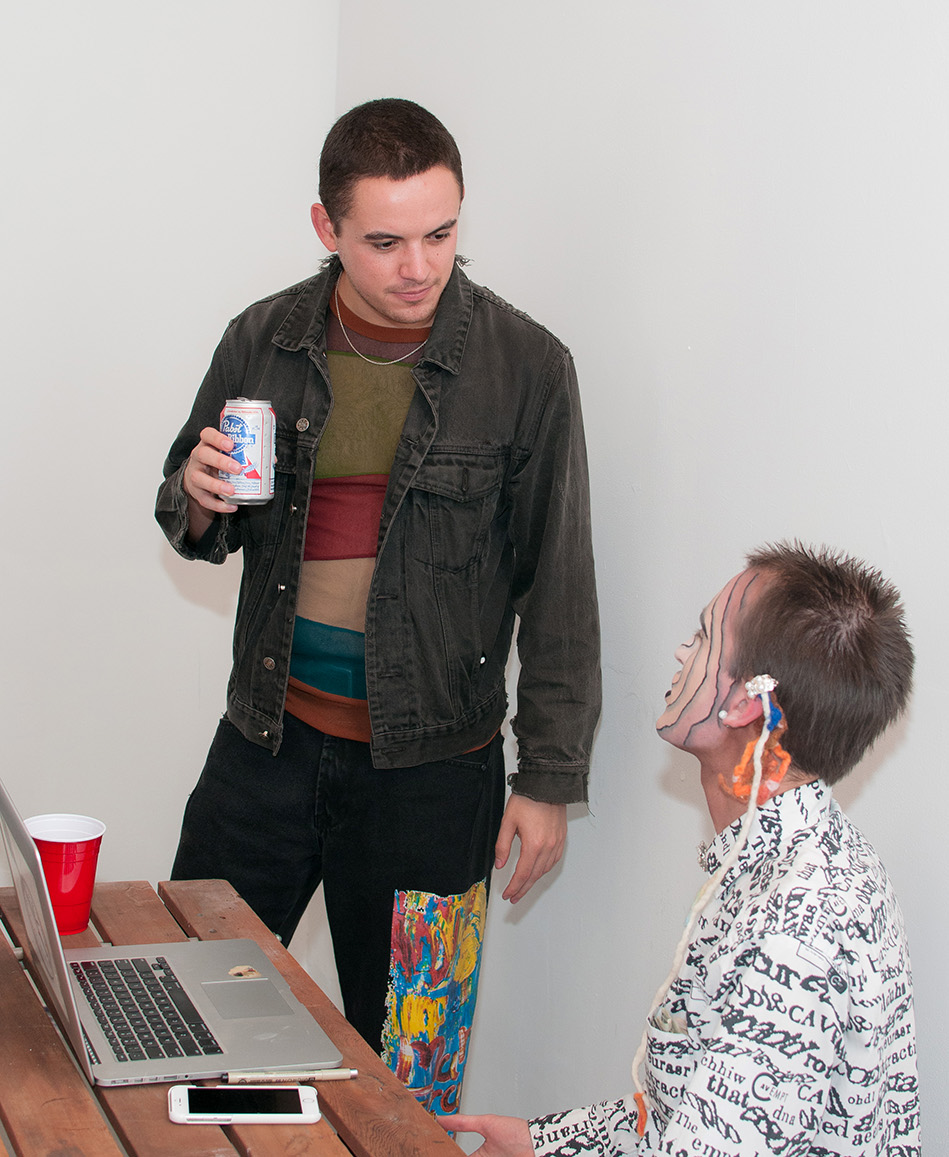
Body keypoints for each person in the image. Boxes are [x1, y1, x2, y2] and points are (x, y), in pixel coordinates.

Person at [155, 98, 601, 1112]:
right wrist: (196, 491)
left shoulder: (527, 368)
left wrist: (547, 778)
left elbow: (560, 585)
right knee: (180, 1016)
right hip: (263, 748)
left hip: (434, 780)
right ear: (327, 229)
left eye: (441, 234)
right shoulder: (260, 338)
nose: (419, 266)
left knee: (411, 1073)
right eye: (386, 241)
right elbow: (188, 505)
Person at [443, 543, 919, 1156]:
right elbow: (684, 1121)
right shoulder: (793, 858)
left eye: (701, 637)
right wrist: (546, 1144)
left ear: (747, 702)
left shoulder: (799, 931)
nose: (680, 651)